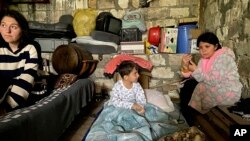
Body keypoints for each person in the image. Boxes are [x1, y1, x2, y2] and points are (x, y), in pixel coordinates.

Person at [179, 32, 242, 124]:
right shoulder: (203, 60)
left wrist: (195, 70)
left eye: (207, 46)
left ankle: (191, 118)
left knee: (192, 87)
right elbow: (195, 76)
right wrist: (185, 65)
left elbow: (213, 80)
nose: (203, 50)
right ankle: (190, 118)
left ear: (215, 46)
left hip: (227, 91)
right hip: (214, 86)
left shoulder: (223, 58)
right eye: (201, 48)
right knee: (188, 84)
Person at [0, 10, 40, 114]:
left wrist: (6, 107)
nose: (7, 31)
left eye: (13, 27)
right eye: (3, 25)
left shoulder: (31, 48)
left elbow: (25, 81)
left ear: (22, 29)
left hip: (17, 101)